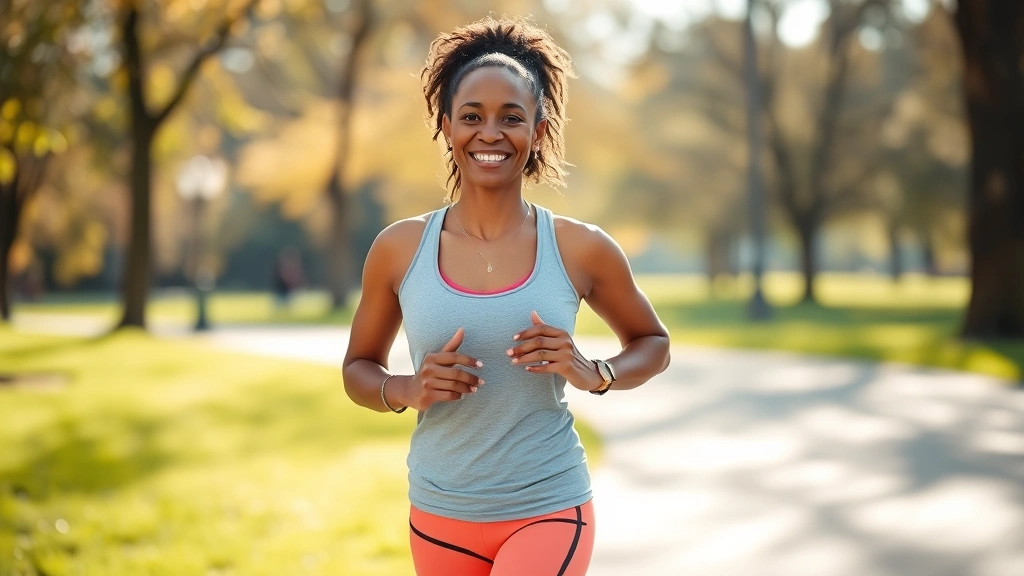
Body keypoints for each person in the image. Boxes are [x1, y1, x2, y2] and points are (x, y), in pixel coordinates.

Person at [342, 16, 670, 576]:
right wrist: (406, 387)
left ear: (538, 130)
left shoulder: (581, 248)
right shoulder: (399, 249)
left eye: (511, 118)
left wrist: (597, 372)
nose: (490, 133)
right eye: (472, 117)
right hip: (440, 510)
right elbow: (357, 369)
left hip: (547, 505)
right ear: (447, 127)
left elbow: (653, 343)